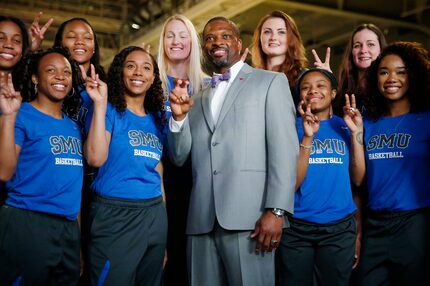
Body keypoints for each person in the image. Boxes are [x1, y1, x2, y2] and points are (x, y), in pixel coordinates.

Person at [167, 17, 298, 286]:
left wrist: (276, 210)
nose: (217, 42)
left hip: (252, 220)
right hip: (201, 220)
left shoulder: (271, 82)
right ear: (203, 47)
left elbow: (284, 152)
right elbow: (179, 156)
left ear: (238, 43)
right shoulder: (198, 95)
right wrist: (179, 120)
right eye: (210, 38)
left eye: (225, 36)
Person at [83, 46, 167, 286]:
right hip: (115, 214)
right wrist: (100, 104)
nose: (138, 72)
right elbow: (95, 158)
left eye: (146, 67)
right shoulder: (107, 110)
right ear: (120, 72)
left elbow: (158, 171)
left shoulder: (156, 118)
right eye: (131, 66)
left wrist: (162, 230)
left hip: (155, 215)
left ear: (153, 79)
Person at [0, 47, 83, 285]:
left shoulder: (73, 126)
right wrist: (7, 117)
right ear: (35, 78)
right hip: (27, 222)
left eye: (66, 72)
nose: (60, 76)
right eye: (51, 70)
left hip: (67, 229)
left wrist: (76, 241)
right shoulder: (20, 114)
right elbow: (4, 172)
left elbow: (72, 186)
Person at [276, 68, 365, 285]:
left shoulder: (346, 125)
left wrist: (355, 134)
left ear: (333, 93)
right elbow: (292, 184)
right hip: (296, 228)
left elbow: (358, 179)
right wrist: (308, 136)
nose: (312, 90)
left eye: (320, 85)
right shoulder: (289, 128)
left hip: (339, 228)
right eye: (305, 87)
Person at [357, 41, 430, 286]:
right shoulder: (367, 121)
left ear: (414, 76)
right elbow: (359, 179)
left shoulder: (426, 119)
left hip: (415, 224)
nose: (392, 78)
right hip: (374, 223)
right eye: (384, 71)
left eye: (401, 72)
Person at [156, 14, 206, 285]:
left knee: (193, 268)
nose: (176, 41)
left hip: (198, 185)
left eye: (182, 35)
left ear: (192, 42)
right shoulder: (150, 84)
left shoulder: (209, 86)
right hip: (159, 186)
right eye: (170, 35)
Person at [250, 10, 307, 104]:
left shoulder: (304, 77)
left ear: (291, 38)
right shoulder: (249, 79)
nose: (273, 37)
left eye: (281, 32)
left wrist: (328, 81)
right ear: (259, 38)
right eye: (267, 32)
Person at [334, 23, 387, 115]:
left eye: (370, 44)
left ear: (381, 49)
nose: (363, 50)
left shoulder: (389, 91)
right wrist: (327, 81)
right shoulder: (341, 96)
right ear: (351, 52)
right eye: (357, 46)